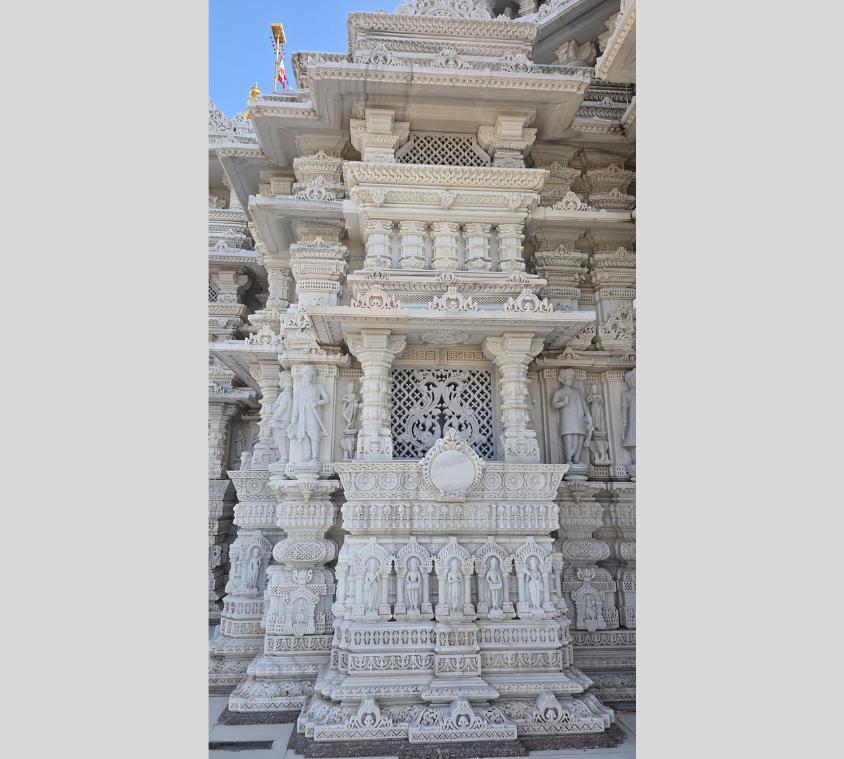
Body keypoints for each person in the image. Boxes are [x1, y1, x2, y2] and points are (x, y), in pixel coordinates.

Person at [288, 365, 329, 464]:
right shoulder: (299, 390)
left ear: (313, 376)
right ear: (303, 376)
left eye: (311, 374)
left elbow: (327, 399)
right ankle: (307, 456)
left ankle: (315, 456)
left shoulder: (318, 387)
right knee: (305, 435)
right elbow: (295, 408)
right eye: (306, 375)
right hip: (303, 416)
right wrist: (292, 422)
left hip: (314, 415)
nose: (309, 376)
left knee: (315, 435)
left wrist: (317, 403)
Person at [551, 369, 593, 464]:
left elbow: (584, 406)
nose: (570, 380)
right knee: (569, 438)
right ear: (562, 379)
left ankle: (577, 459)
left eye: (571, 378)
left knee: (580, 437)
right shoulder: (559, 392)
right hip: (567, 419)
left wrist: (590, 419)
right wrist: (562, 403)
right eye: (568, 378)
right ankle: (569, 459)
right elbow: (554, 404)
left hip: (579, 418)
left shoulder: (577, 392)